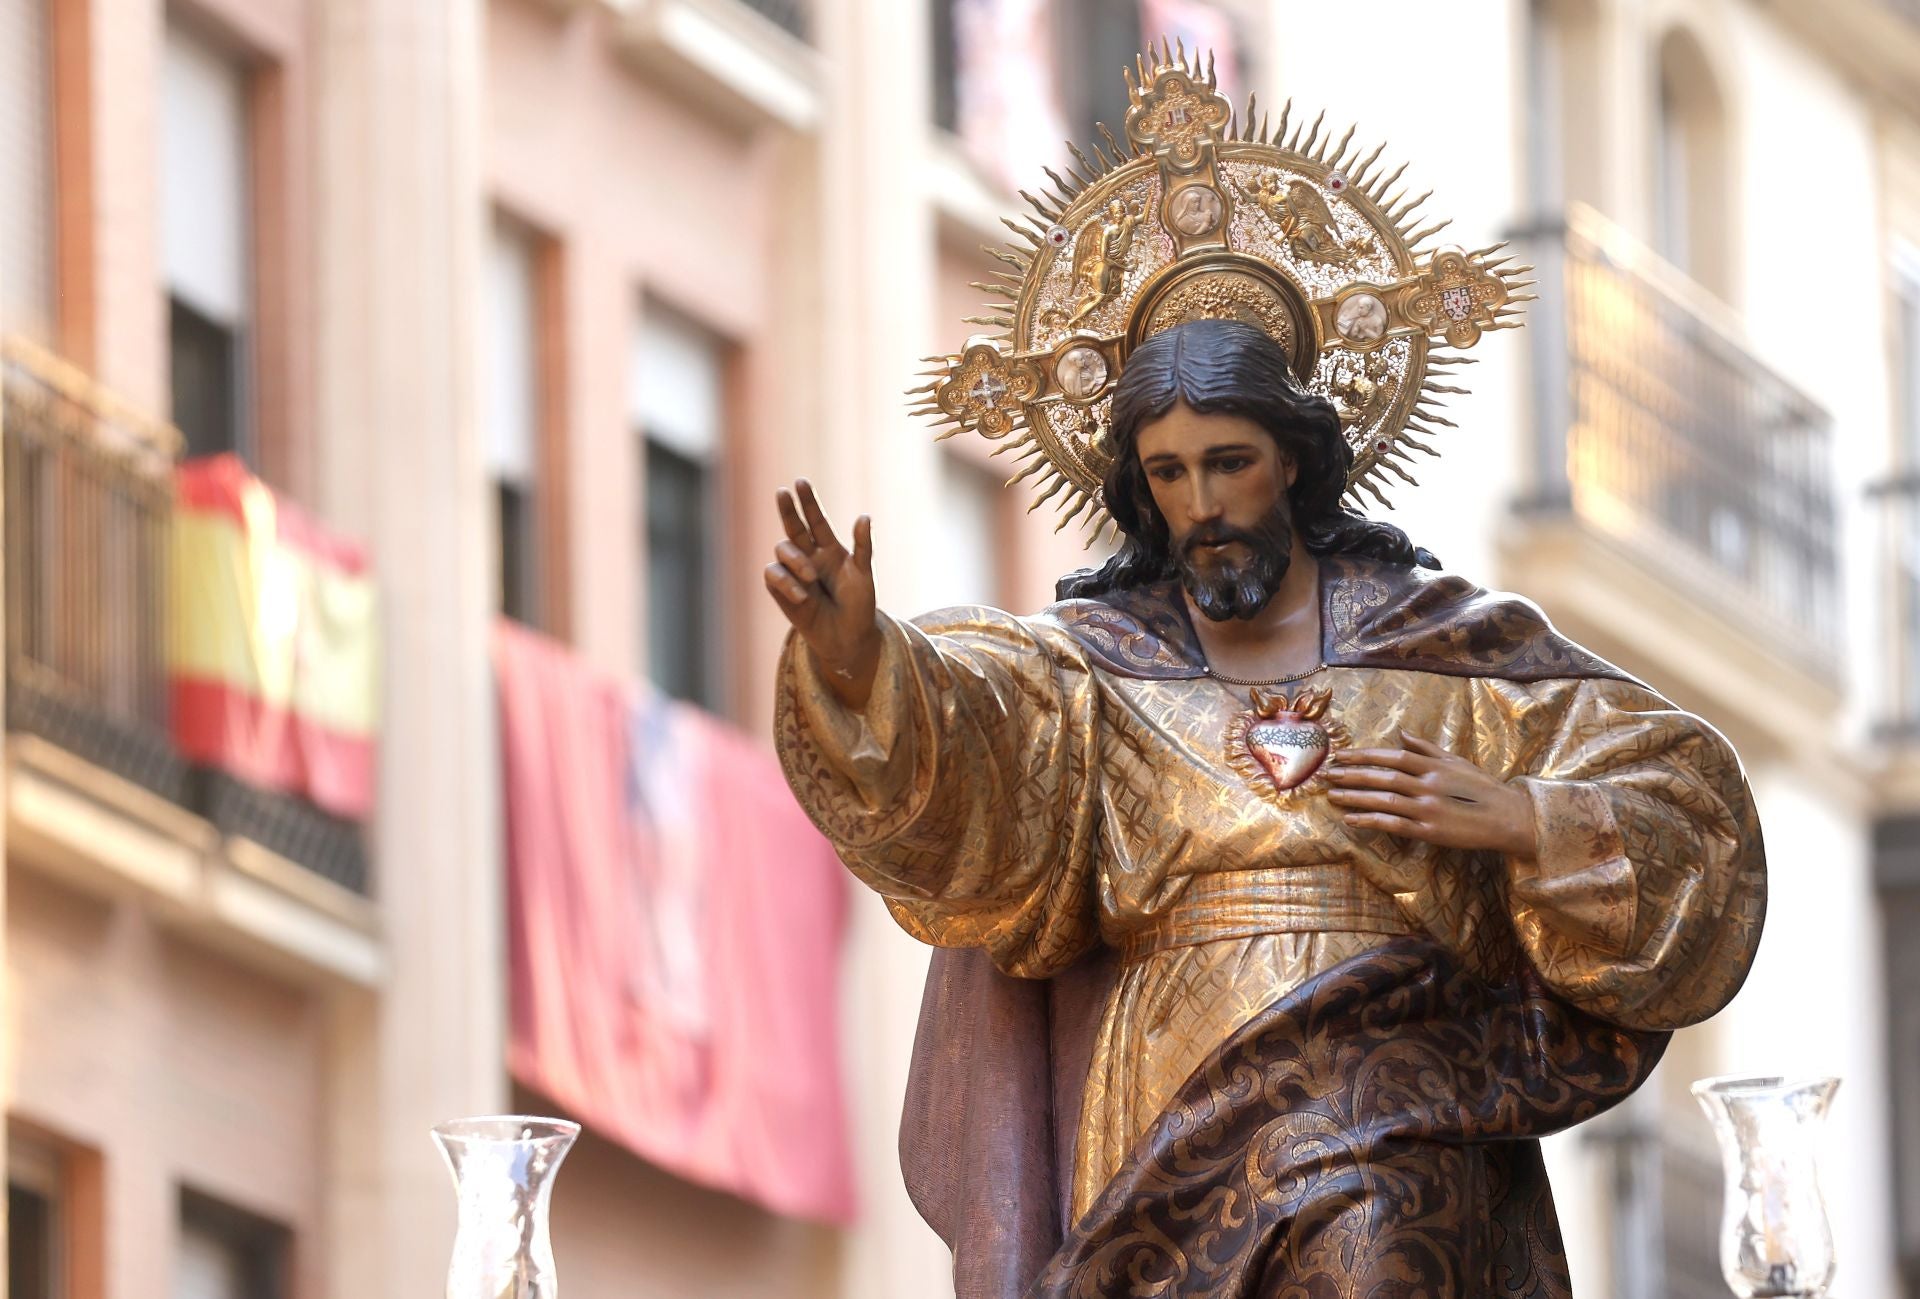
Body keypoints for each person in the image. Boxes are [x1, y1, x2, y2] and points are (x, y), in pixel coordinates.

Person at [765, 319, 1764, 1297]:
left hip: (1399, 1089)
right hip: (1169, 1113)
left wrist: (1525, 817)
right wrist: (857, 656)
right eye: (1168, 473)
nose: (1200, 505)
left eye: (1228, 462)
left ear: (1292, 458)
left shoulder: (1449, 651)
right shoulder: (1094, 668)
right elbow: (963, 729)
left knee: (1374, 1230)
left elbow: (1690, 813)